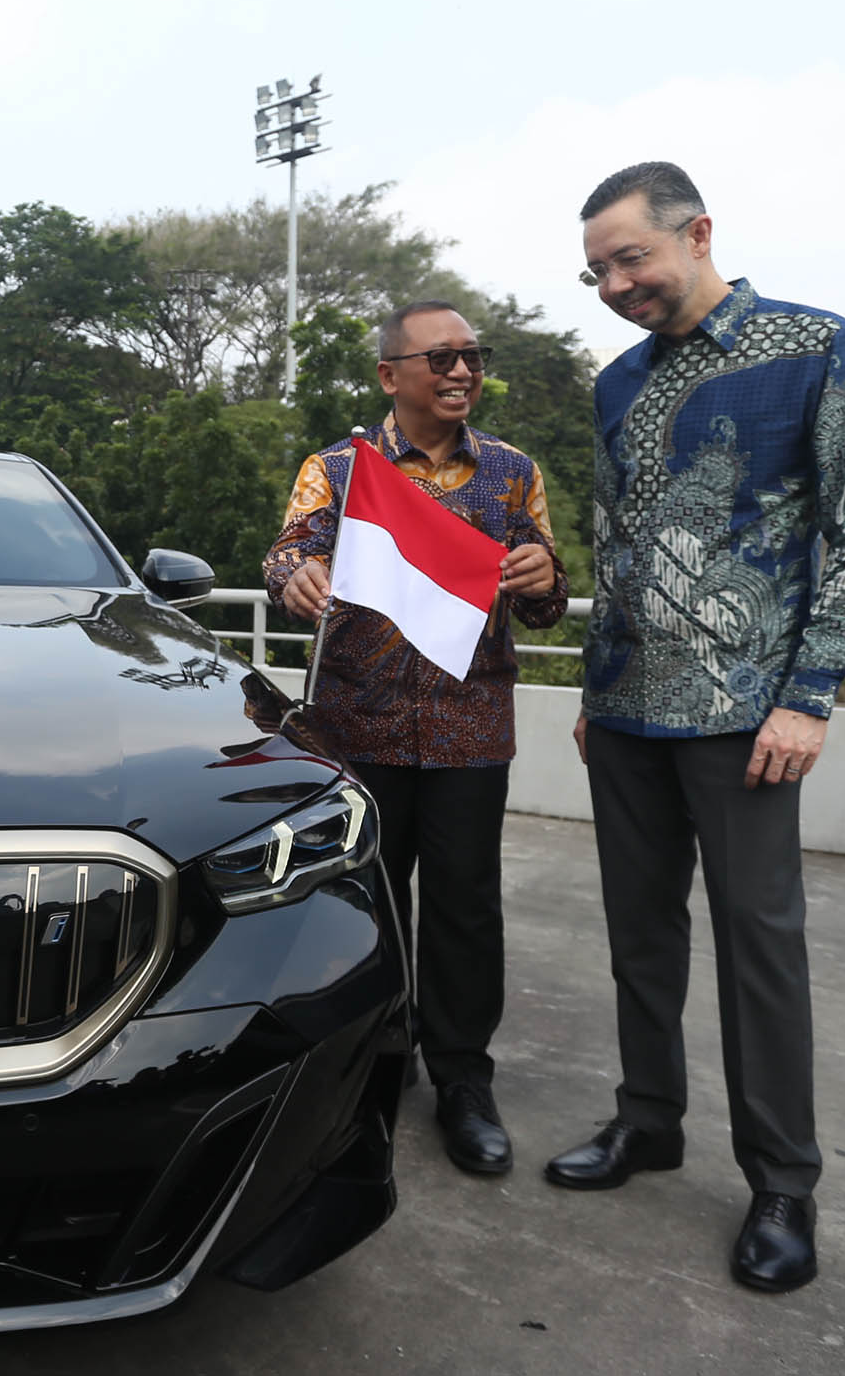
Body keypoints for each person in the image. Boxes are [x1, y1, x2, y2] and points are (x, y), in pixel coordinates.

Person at [550, 162, 845, 1293]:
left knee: (760, 952)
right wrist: (598, 695)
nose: (612, 283)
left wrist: (807, 696)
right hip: (627, 712)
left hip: (745, 716)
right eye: (596, 268)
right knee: (638, 935)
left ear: (695, 233)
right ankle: (646, 1121)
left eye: (629, 258)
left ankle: (781, 1183)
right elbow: (618, 548)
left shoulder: (815, 346)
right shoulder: (612, 384)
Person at [264, 301, 567, 1175]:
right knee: (369, 903)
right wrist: (298, 574)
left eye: (471, 356)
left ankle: (465, 1079)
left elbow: (544, 602)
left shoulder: (512, 474)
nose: (461, 372)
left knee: (467, 910)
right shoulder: (341, 469)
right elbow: (287, 551)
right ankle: (374, 1060)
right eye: (440, 358)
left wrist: (545, 574)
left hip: (471, 728)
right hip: (359, 726)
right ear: (391, 374)